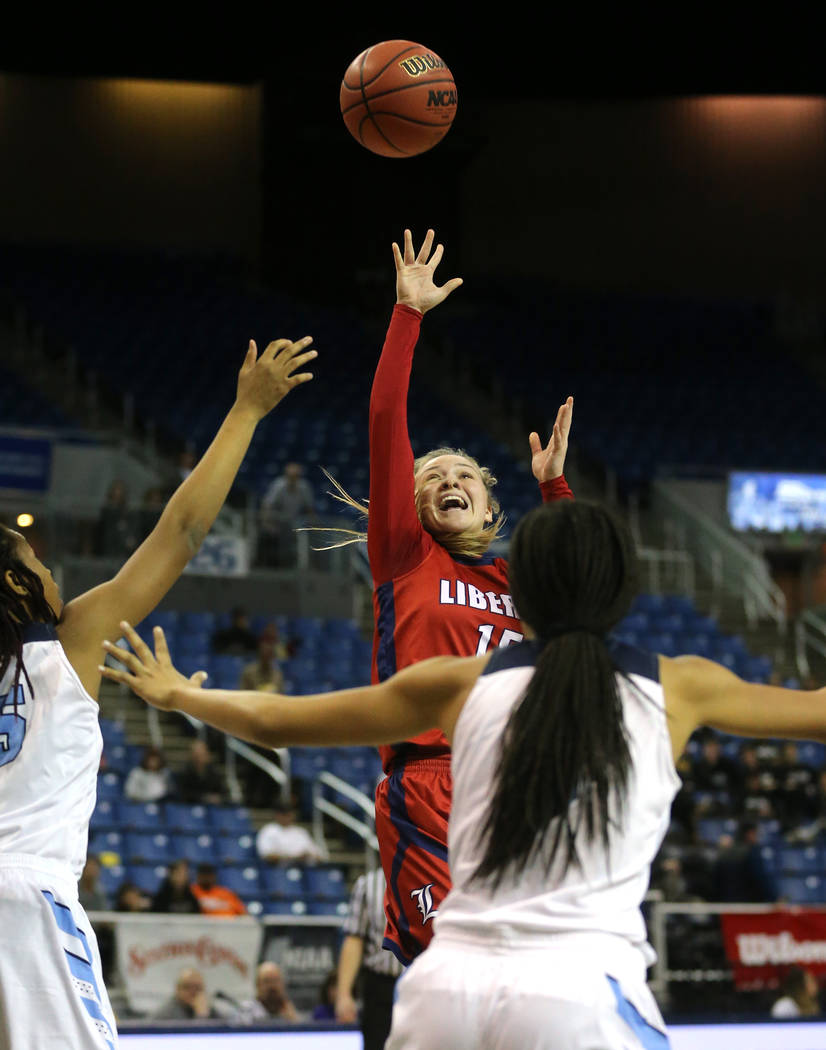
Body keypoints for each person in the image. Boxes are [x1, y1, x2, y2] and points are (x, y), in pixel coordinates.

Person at [105, 496, 826, 1049]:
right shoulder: (683, 685)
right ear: (624, 589)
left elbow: (275, 720)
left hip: (444, 992)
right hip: (580, 992)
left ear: (525, 594)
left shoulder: (457, 682)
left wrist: (178, 694)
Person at [0, 333, 316, 1050]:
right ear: (18, 586)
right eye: (34, 559)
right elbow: (182, 530)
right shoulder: (72, 642)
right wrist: (246, 411)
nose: (49, 568)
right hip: (26, 902)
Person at [320, 227, 574, 963]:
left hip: (514, 784)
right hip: (428, 783)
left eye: (464, 475)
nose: (450, 483)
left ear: (492, 509)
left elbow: (578, 581)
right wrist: (407, 317)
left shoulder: (515, 582)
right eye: (433, 478)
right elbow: (384, 424)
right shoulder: (406, 554)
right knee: (453, 967)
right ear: (414, 504)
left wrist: (554, 486)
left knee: (531, 972)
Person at [335, 865, 403, 1050]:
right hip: (380, 986)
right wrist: (343, 994)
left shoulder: (435, 877)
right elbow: (354, 939)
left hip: (424, 984)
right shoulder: (368, 884)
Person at [257, 461, 317, 567]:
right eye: (290, 476)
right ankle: (265, 565)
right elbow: (267, 505)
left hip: (293, 523)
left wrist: (314, 524)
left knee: (296, 543)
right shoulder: (279, 485)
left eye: (296, 476)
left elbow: (310, 508)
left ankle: (293, 565)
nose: (293, 479)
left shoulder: (304, 487)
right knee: (268, 539)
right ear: (286, 476)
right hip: (277, 522)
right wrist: (267, 523)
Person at [256, 800, 328, 865]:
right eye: (284, 814)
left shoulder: (301, 832)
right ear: (277, 815)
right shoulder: (268, 830)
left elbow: (319, 856)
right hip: (277, 869)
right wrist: (294, 857)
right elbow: (266, 856)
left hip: (302, 869)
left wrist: (308, 856)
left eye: (289, 814)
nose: (287, 817)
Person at [232, 961, 301, 1024]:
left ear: (282, 984)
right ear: (258, 985)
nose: (272, 986)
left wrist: (293, 1021)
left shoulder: (289, 1010)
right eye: (267, 981)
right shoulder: (245, 1011)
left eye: (275, 981)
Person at [151, 967, 220, 1021]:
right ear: (177, 989)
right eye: (187, 987)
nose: (193, 992)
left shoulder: (208, 1008)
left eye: (198, 988)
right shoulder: (167, 1014)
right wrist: (201, 1016)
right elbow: (192, 1037)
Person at [175, 738, 225, 806]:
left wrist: (216, 797)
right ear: (193, 755)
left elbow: (220, 791)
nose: (202, 756)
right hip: (190, 807)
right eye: (198, 754)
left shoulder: (213, 771)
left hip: (211, 807)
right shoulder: (185, 772)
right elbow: (184, 794)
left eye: (204, 753)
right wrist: (204, 798)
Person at [95, 478, 138, 558]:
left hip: (122, 549)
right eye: (116, 490)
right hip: (108, 547)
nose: (117, 493)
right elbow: (102, 530)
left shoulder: (127, 512)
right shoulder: (106, 511)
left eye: (120, 490)